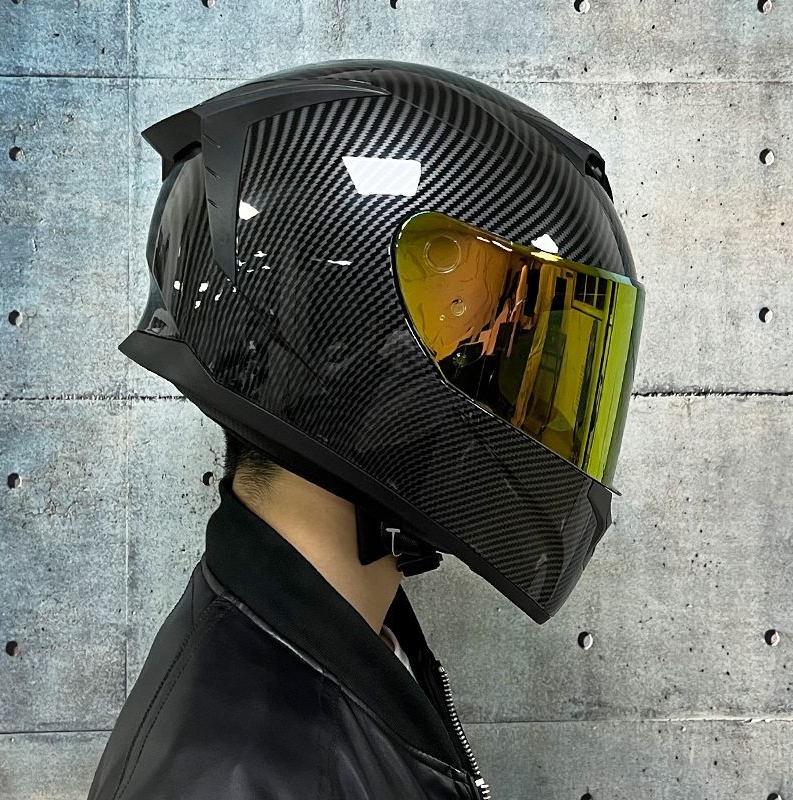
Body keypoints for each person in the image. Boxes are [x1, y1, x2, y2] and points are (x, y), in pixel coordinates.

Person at [87, 59, 645, 800]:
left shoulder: (328, 636)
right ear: (361, 371)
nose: (535, 411)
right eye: (492, 355)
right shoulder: (242, 778)